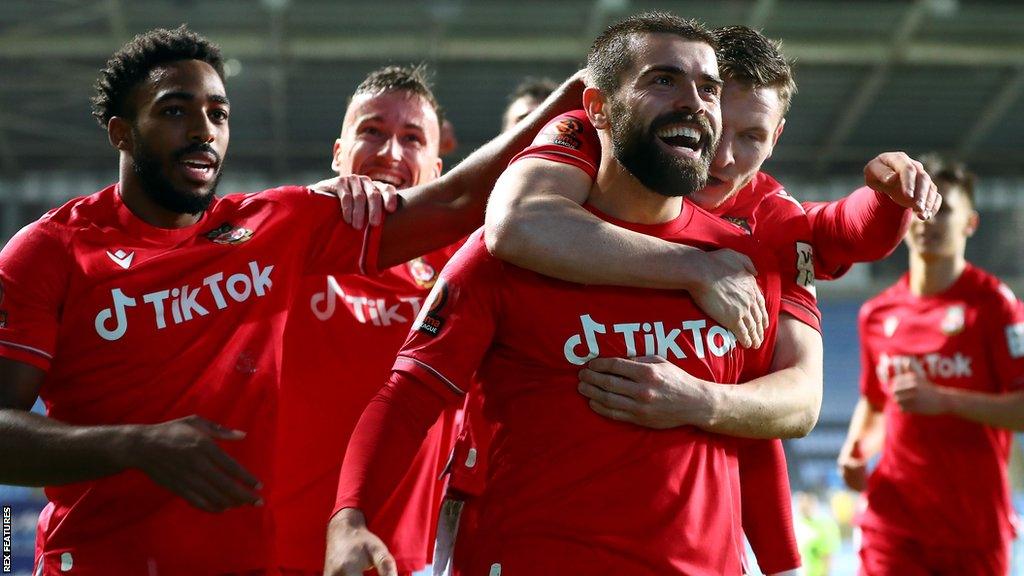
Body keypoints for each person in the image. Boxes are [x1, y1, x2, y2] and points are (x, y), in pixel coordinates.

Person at [0, 25, 586, 575]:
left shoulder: (279, 227)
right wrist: (136, 445)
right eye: (175, 110)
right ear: (122, 132)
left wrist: (579, 93)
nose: (203, 130)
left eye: (218, 113)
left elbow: (457, 201)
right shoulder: (51, 252)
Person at [325, 13, 822, 575]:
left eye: (708, 89)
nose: (694, 102)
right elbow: (409, 396)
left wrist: (784, 568)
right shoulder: (512, 251)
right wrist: (351, 519)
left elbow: (757, 431)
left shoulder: (742, 262)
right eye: (663, 80)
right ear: (598, 108)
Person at [474, 24, 940, 576]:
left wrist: (887, 200)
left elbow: (838, 231)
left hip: (692, 535)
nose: (722, 158)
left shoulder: (769, 218)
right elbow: (515, 223)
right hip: (521, 504)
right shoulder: (594, 145)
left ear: (779, 137)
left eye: (753, 138)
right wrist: (694, 268)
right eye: (717, 126)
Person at [273, 65, 461, 576]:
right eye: (372, 132)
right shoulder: (286, 244)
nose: (390, 154)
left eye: (412, 139)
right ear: (339, 153)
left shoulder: (461, 266)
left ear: (437, 168)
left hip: (408, 562)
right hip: (272, 558)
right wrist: (314, 201)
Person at [838, 155, 1024, 576]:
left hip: (971, 530)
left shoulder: (995, 307)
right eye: (921, 210)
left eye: (945, 211)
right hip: (893, 524)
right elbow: (875, 401)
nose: (930, 221)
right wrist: (857, 448)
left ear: (970, 224)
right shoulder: (876, 314)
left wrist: (944, 399)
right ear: (905, 221)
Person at [794, 491, 842, 576]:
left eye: (807, 502)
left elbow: (828, 557)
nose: (803, 505)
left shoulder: (824, 526)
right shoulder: (796, 525)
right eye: (801, 501)